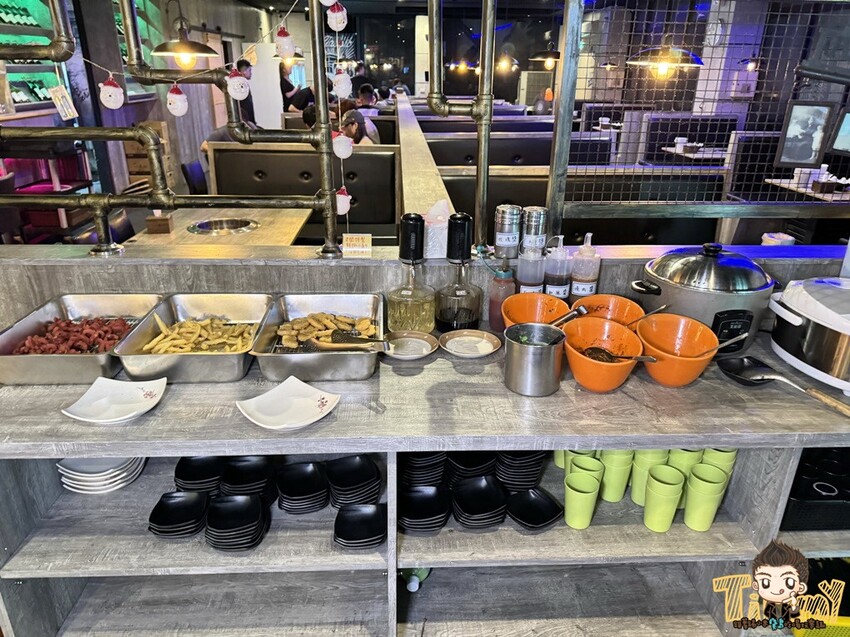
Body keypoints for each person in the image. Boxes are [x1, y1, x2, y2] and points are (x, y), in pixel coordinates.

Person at [235, 60, 256, 125]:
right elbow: (242, 107)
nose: (251, 73)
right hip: (246, 123)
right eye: (249, 70)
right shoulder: (240, 86)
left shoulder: (244, 84)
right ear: (244, 72)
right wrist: (248, 122)